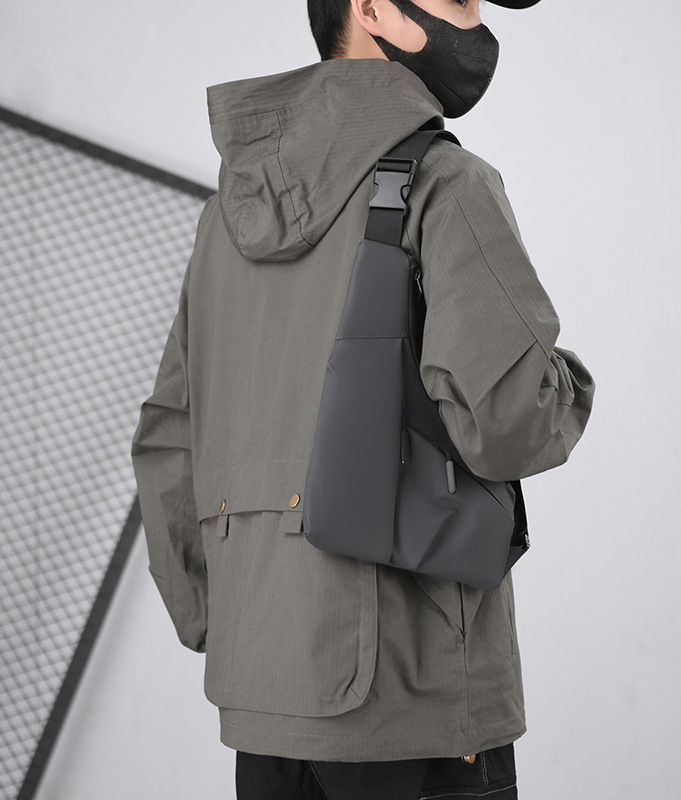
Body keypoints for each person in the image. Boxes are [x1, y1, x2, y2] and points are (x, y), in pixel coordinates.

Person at [130, 0, 595, 797]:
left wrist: (225, 620)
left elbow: (171, 440)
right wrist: (569, 385)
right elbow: (509, 424)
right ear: (372, 7)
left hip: (262, 702)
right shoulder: (446, 183)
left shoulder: (224, 220)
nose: (475, 22)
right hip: (412, 706)